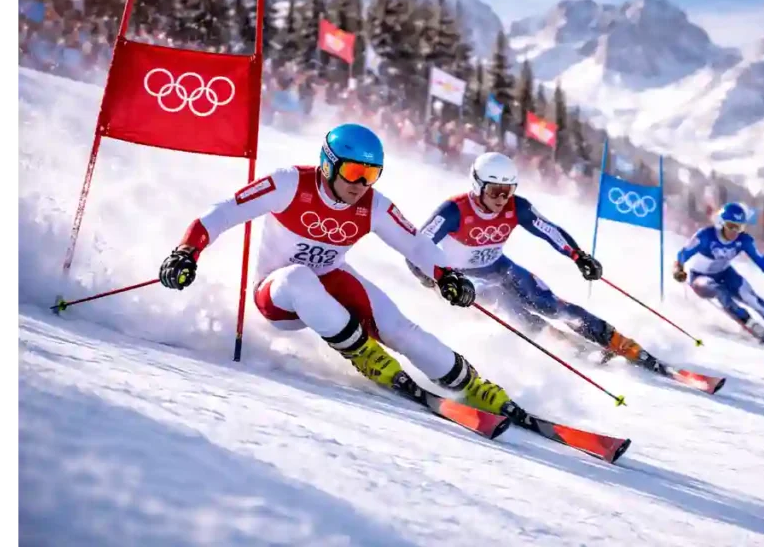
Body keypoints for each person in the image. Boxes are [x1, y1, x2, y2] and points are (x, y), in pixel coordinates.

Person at [156, 123, 517, 416]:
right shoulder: (289, 183)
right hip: (279, 297)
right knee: (299, 276)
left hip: (331, 285)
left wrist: (447, 275)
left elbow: (416, 243)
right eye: (354, 171)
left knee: (399, 327)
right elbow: (223, 211)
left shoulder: (373, 205)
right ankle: (366, 355)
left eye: (371, 173)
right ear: (328, 164)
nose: (361, 184)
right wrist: (186, 252)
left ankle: (471, 385)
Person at [405, 151, 660, 370]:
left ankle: (613, 339)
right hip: (462, 277)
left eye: (508, 192)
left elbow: (548, 230)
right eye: (495, 191)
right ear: (477, 185)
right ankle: (557, 341)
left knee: (547, 302)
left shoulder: (517, 207)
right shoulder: (454, 210)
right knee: (498, 298)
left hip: (499, 266)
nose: (501, 200)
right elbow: (415, 247)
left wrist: (578, 256)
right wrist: (431, 280)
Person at [673, 202, 764, 350]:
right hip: (700, 278)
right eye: (731, 225)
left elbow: (761, 260)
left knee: (753, 299)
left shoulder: (743, 240)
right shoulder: (705, 236)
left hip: (726, 274)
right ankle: (748, 322)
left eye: (738, 227)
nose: (734, 231)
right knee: (719, 291)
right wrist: (678, 269)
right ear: (722, 223)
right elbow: (682, 254)